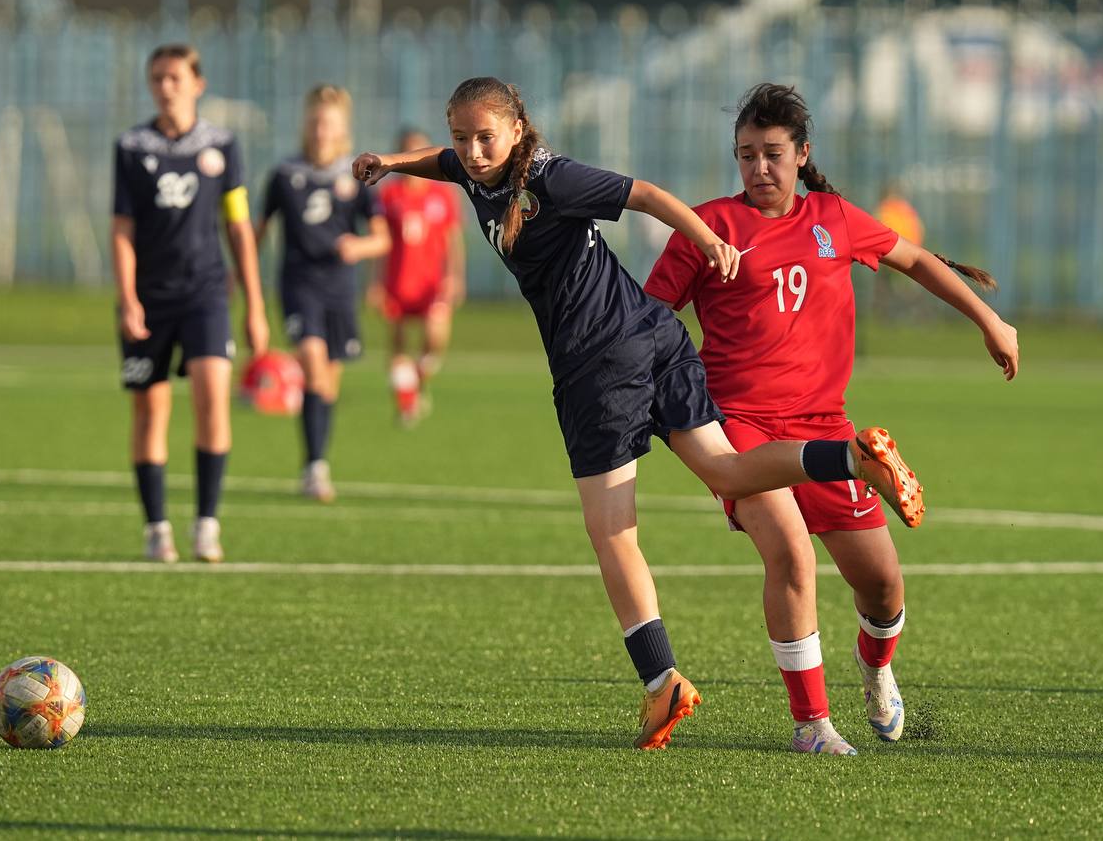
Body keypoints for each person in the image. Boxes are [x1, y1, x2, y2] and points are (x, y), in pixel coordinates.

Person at [353, 76, 926, 750]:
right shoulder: (476, 166)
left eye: (485, 138)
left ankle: (661, 684)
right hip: (656, 334)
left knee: (613, 532)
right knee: (732, 472)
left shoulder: (551, 178)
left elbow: (646, 195)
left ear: (517, 130)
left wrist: (707, 238)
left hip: (599, 365)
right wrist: (392, 164)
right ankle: (850, 458)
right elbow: (445, 166)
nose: (472, 152)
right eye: (461, 138)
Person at [646, 83, 1018, 755]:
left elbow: (916, 261)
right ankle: (811, 724)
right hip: (740, 427)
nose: (759, 168)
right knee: (789, 550)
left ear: (802, 154)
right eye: (746, 155)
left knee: (882, 587)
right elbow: (648, 319)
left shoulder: (836, 220)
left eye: (773, 154)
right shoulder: (708, 228)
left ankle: (876, 670)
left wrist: (989, 320)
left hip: (825, 425)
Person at [112, 44, 269, 563]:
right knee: (150, 409)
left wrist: (255, 304)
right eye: (157, 77)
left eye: (175, 77)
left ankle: (206, 523)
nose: (166, 86)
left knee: (211, 397)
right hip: (150, 299)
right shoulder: (132, 147)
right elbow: (122, 229)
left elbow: (238, 226)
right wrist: (128, 297)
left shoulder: (222, 146)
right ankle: (157, 527)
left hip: (205, 293)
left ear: (197, 83)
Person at [256, 85, 390, 502]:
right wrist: (238, 275)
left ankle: (314, 459)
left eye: (328, 123)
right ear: (306, 124)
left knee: (328, 381)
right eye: (314, 121)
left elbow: (382, 239)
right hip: (298, 285)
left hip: (339, 289)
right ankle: (316, 468)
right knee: (312, 362)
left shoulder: (357, 177)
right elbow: (256, 232)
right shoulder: (283, 174)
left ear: (342, 128)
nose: (320, 130)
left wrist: (358, 247)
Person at [369, 127, 467, 425]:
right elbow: (380, 242)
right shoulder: (388, 196)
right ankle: (407, 403)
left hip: (432, 284)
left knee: (436, 337)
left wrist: (456, 276)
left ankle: (416, 379)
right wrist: (375, 282)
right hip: (398, 282)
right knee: (398, 345)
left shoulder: (443, 195)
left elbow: (453, 240)